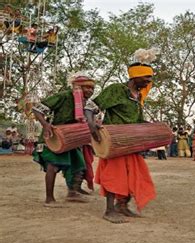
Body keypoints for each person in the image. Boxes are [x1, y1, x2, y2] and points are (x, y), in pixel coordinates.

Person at [86, 50, 157, 223]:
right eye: (146, 77)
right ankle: (109, 210)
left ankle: (122, 206)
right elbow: (90, 106)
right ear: (135, 77)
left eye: (150, 77)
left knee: (133, 174)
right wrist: (92, 125)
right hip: (114, 141)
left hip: (130, 143)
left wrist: (153, 129)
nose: (149, 81)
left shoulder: (138, 96)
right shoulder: (117, 90)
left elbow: (137, 120)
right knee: (114, 175)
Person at [32, 74, 95, 207]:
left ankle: (72, 192)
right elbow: (37, 108)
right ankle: (49, 199)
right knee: (53, 165)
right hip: (53, 135)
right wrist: (45, 124)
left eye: (92, 88)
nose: (90, 90)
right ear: (78, 87)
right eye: (87, 87)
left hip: (71, 137)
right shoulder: (64, 96)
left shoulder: (86, 103)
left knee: (79, 164)